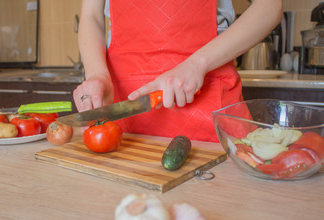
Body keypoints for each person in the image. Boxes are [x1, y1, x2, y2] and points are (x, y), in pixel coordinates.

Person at [73, 0, 283, 142]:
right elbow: (91, 16)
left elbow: (269, 7)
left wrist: (196, 65)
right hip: (127, 109)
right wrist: (97, 75)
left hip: (210, 98)